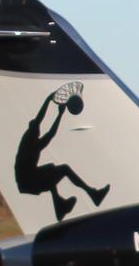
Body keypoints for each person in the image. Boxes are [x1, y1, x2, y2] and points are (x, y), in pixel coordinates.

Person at [14, 86, 110, 221]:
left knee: (50, 170)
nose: (38, 128)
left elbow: (50, 133)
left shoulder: (34, 144)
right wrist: (48, 101)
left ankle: (60, 206)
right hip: (28, 180)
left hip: (26, 180)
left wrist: (60, 114)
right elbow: (40, 119)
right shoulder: (30, 140)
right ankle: (92, 193)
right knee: (63, 169)